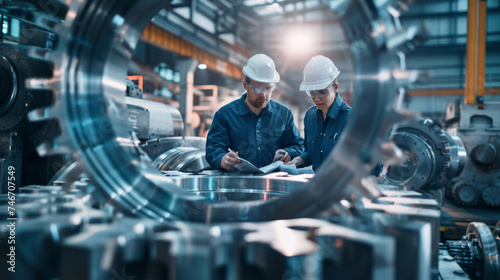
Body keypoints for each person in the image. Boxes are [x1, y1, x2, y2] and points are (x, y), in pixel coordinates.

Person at [206, 54, 304, 171]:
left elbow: (298, 145)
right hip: (239, 183)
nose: (263, 94)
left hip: (273, 181)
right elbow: (214, 147)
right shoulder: (225, 115)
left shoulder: (284, 114)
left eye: (268, 88)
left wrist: (289, 152)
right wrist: (221, 159)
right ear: (245, 85)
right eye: (257, 88)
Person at [286, 55, 352, 171]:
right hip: (318, 186)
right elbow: (310, 153)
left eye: (322, 92)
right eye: (312, 93)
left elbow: (372, 165)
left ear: (335, 87)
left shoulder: (351, 118)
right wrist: (298, 161)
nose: (316, 99)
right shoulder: (310, 116)